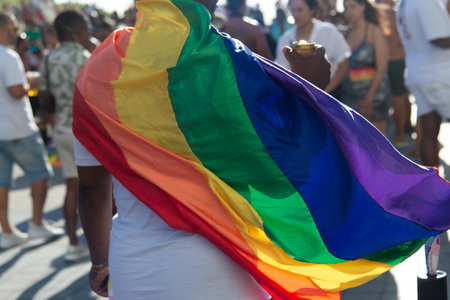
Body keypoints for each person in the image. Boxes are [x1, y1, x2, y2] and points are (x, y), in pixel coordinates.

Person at [75, 0, 331, 298]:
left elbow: (91, 188)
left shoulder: (102, 69)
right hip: (224, 265)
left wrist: (99, 262)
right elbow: (285, 174)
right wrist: (311, 88)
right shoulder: (229, 65)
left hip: (137, 268)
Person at [0, 12, 62, 249]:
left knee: (2, 183)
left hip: (3, 130)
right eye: (13, 29)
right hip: (17, 128)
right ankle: (36, 224)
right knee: (41, 174)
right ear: (4, 28)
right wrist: (29, 83)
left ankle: (7, 230)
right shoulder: (8, 56)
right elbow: (16, 91)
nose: (16, 34)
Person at [39, 10, 90, 261]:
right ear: (76, 30)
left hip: (61, 129)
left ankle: (73, 243)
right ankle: (101, 246)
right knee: (98, 188)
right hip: (85, 131)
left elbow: (44, 98)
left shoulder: (49, 58)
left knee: (72, 185)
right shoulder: (85, 56)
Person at [396, 0, 450, 167]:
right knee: (429, 133)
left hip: (417, 73)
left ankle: (436, 188)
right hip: (438, 76)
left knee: (428, 133)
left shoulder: (404, 4)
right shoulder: (426, 1)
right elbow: (437, 38)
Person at [275, 0, 350, 94]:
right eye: (292, 10)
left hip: (329, 96)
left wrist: (324, 93)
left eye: (300, 10)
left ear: (312, 9)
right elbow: (281, 71)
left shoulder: (328, 31)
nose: (295, 14)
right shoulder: (285, 38)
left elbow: (343, 65)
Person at [340, 0, 390, 135]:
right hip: (349, 98)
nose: (348, 11)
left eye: (352, 7)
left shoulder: (373, 31)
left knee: (378, 144)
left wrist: (370, 98)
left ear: (362, 7)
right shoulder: (346, 33)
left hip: (374, 97)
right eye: (346, 8)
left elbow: (382, 67)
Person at [376, 0, 413, 148]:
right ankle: (403, 132)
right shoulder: (395, 10)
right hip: (397, 59)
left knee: (398, 97)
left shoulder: (383, 10)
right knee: (401, 97)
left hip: (390, 60)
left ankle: (401, 133)